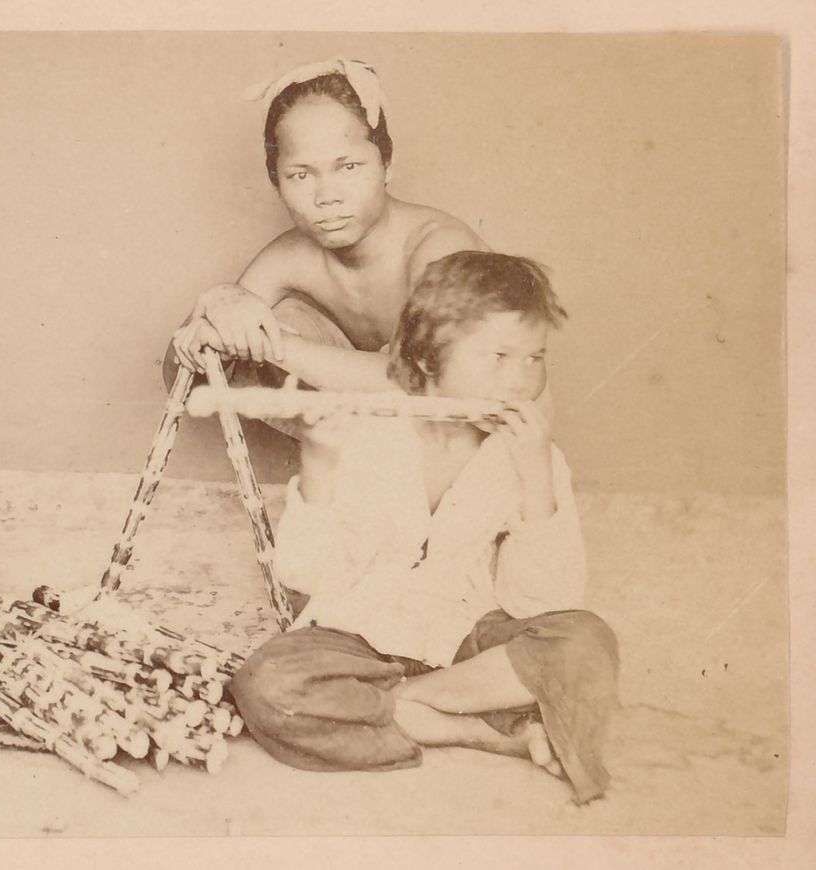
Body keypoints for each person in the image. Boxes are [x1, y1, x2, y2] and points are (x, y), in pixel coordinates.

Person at [229, 251, 620, 804]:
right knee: (268, 687)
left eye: (535, 358)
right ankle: (481, 731)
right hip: (358, 636)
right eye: (500, 356)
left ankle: (408, 704)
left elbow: (542, 601)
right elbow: (309, 573)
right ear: (430, 357)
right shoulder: (367, 432)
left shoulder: (533, 457)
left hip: (466, 641)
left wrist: (535, 476)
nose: (520, 380)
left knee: (585, 643)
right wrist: (319, 465)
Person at [166, 58, 486, 404]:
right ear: (276, 184)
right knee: (268, 317)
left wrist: (276, 345)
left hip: (488, 442)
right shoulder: (291, 255)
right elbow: (179, 380)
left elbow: (418, 384)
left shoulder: (439, 247)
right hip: (386, 439)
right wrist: (222, 310)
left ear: (387, 165)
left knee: (271, 332)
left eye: (348, 167)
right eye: (301, 175)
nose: (327, 196)